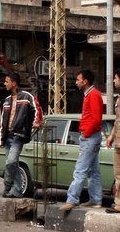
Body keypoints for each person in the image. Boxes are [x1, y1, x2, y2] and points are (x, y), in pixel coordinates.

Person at [60, 70, 104, 211]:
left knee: (80, 170)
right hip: (91, 137)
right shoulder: (90, 94)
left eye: (78, 79)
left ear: (85, 81)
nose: (76, 82)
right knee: (93, 171)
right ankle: (96, 200)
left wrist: (86, 133)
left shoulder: (93, 95)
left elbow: (97, 120)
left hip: (90, 137)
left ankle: (72, 199)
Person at [0, 72, 42, 198]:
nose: (5, 84)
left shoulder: (27, 96)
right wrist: (1, 138)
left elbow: (37, 110)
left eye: (7, 81)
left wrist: (36, 122)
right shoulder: (6, 100)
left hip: (19, 135)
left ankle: (8, 185)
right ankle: (16, 190)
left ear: (14, 83)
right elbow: (3, 121)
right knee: (13, 163)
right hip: (8, 136)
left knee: (11, 162)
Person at [105, 69, 120, 214]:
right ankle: (118, 204)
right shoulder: (119, 98)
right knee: (118, 175)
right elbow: (117, 121)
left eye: (115, 78)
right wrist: (111, 137)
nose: (113, 81)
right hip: (118, 143)